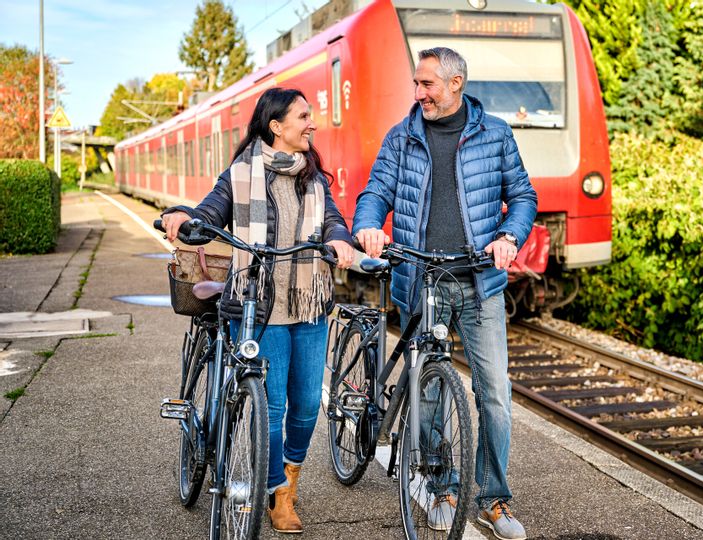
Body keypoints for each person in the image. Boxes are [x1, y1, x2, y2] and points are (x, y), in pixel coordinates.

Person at [353, 47, 536, 540]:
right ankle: (441, 487)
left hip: (480, 282)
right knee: (430, 390)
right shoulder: (402, 137)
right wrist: (369, 225)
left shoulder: (495, 133)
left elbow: (522, 196)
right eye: (417, 84)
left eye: (428, 84)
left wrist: (509, 237)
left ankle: (493, 502)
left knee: (494, 394)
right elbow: (375, 193)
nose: (420, 94)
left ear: (456, 84)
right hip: (422, 277)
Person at [161, 87, 354, 534]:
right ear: (276, 126)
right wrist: (181, 216)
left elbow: (333, 222)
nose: (312, 123)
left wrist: (340, 239)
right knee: (270, 406)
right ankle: (275, 492)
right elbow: (209, 213)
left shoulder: (314, 177)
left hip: (307, 305)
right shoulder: (240, 175)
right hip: (259, 304)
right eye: (304, 116)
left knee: (306, 406)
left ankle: (289, 479)